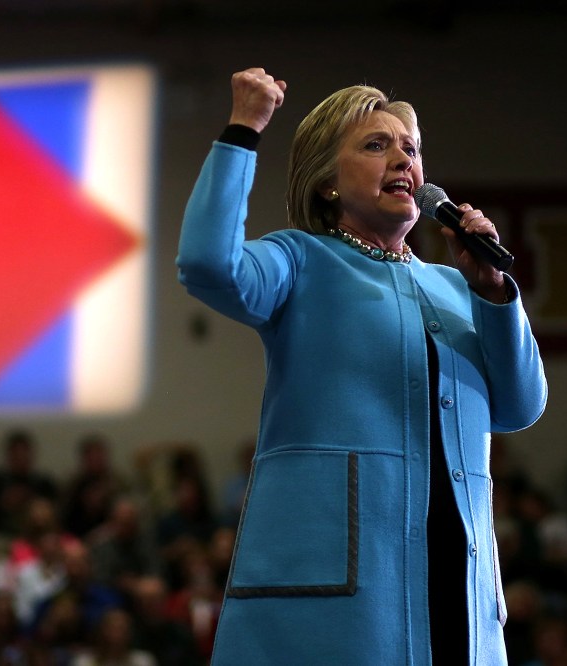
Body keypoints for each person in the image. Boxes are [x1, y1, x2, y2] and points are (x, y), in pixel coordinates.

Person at [176, 68, 548, 664]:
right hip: (339, 598)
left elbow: (521, 406)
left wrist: (497, 296)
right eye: (376, 145)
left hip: (460, 588)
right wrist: (243, 129)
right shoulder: (299, 258)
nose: (402, 158)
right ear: (326, 182)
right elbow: (206, 265)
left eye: (411, 148)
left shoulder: (458, 287)